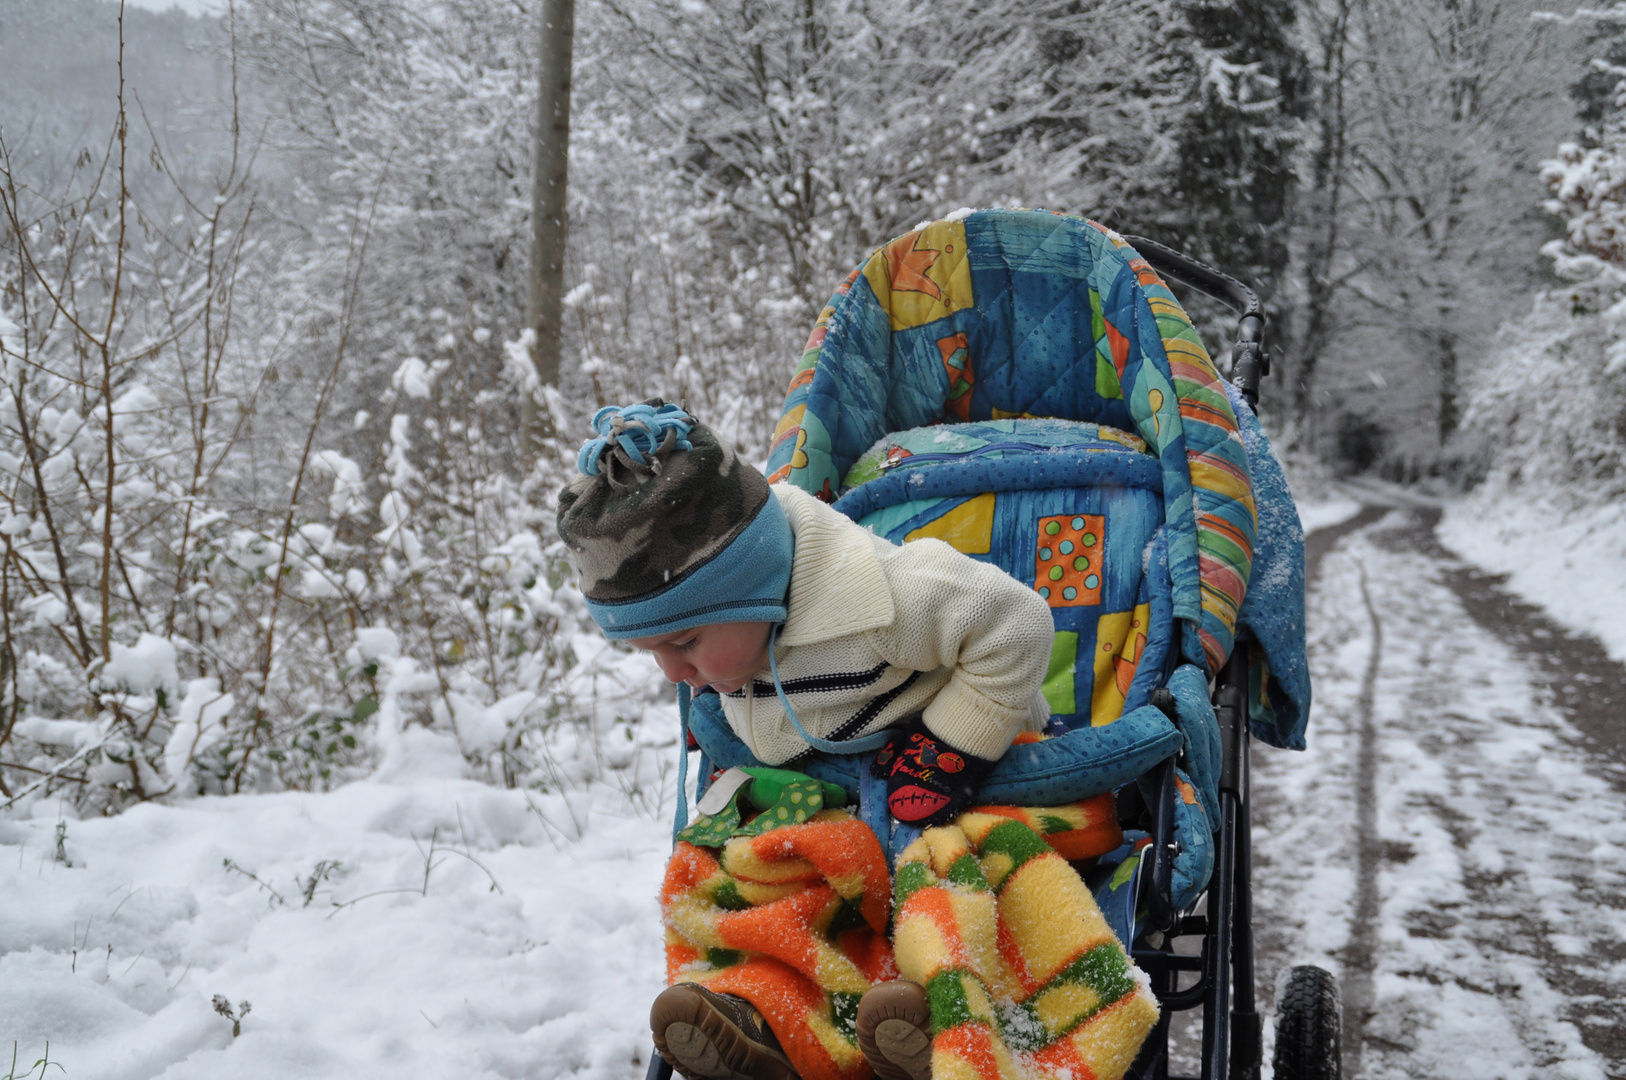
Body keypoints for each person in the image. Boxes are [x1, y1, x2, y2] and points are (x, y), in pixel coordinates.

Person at [557, 401, 1057, 1080]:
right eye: (651, 651)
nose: (673, 674)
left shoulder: (886, 600)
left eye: (682, 643)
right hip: (842, 793)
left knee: (951, 878)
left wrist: (953, 746)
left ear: (753, 589)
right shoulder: (735, 649)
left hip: (959, 780)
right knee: (765, 884)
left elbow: (1020, 622)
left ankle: (944, 1012)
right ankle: (766, 1013)